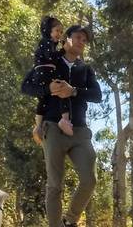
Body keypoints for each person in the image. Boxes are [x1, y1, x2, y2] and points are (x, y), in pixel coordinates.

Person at [40, 24, 103, 227]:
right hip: (53, 127)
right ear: (67, 39)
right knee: (54, 186)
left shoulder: (85, 69)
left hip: (80, 131)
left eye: (84, 41)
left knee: (89, 179)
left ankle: (70, 220)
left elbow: (97, 95)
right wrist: (38, 123)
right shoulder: (51, 61)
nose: (81, 42)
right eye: (77, 37)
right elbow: (32, 88)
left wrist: (74, 91)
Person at [31, 15, 74, 143]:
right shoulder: (46, 42)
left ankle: (39, 127)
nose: (59, 34)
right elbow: (51, 57)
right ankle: (64, 120)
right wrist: (64, 50)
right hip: (45, 71)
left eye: (61, 32)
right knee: (63, 90)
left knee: (44, 100)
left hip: (43, 72)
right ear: (48, 30)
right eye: (57, 31)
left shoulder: (49, 43)